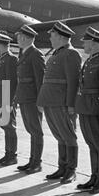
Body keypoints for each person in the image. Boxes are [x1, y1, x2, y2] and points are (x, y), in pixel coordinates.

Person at [37, 22, 81, 184]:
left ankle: (71, 170)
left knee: (68, 136)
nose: (50, 38)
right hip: (50, 100)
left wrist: (71, 105)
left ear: (61, 37)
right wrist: (42, 100)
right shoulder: (57, 54)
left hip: (61, 102)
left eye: (52, 35)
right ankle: (62, 167)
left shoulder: (71, 54)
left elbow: (73, 82)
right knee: (60, 136)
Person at [75, 27, 99, 194]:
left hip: (96, 109)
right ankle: (94, 176)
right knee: (91, 144)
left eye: (86, 42)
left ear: (93, 43)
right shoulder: (89, 61)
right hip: (85, 107)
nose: (84, 44)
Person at [15, 25, 45, 174]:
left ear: (26, 38)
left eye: (20, 37)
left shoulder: (35, 54)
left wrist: (40, 101)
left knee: (36, 131)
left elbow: (40, 80)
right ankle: (32, 160)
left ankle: (37, 162)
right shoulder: (25, 53)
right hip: (24, 97)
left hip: (32, 98)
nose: (17, 40)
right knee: (31, 130)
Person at [0, 31, 19, 166]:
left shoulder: (11, 59)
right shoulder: (2, 58)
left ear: (1, 45)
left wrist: (9, 101)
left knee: (10, 127)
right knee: (5, 126)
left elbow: (12, 81)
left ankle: (12, 155)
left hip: (6, 98)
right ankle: (7, 154)